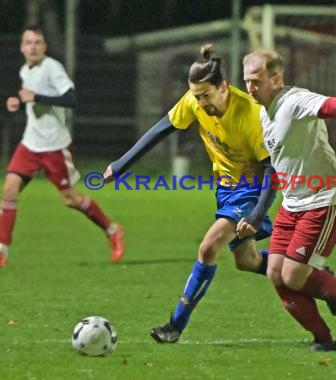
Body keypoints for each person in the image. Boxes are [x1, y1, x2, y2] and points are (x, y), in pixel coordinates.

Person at [104, 44, 279, 343]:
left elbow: (271, 170)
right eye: (195, 96)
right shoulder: (195, 101)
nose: (199, 102)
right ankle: (310, 275)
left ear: (223, 86)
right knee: (247, 261)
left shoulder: (250, 115)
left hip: (252, 188)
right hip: (226, 189)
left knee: (208, 247)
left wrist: (256, 213)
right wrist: (121, 164)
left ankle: (175, 325)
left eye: (205, 95)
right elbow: (161, 128)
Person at [241, 49, 336, 351]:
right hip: (292, 202)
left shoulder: (294, 100)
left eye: (256, 81)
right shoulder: (262, 110)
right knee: (274, 273)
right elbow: (277, 163)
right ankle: (324, 339)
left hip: (324, 200)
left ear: (276, 78)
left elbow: (329, 106)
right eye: (246, 81)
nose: (250, 88)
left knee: (293, 276)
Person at [0, 25, 124, 268]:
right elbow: (33, 102)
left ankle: (112, 229)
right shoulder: (25, 71)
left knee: (71, 199)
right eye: (28, 42)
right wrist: (19, 103)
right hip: (30, 144)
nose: (33, 46)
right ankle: (1, 251)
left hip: (55, 146)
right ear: (22, 47)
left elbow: (71, 99)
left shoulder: (52, 67)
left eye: (38, 42)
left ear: (44, 46)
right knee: (9, 189)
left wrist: (35, 98)